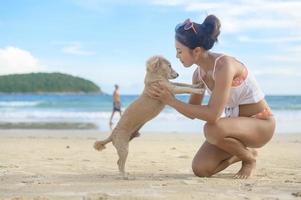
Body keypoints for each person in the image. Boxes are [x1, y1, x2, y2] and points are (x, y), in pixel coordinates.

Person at [146, 15, 275, 179]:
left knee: (211, 128)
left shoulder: (224, 66)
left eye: (179, 51)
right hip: (235, 128)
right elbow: (192, 112)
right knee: (201, 169)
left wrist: (171, 101)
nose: (177, 56)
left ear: (197, 51)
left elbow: (213, 115)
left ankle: (248, 160)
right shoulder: (198, 74)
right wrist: (167, 95)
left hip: (261, 124)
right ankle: (243, 153)